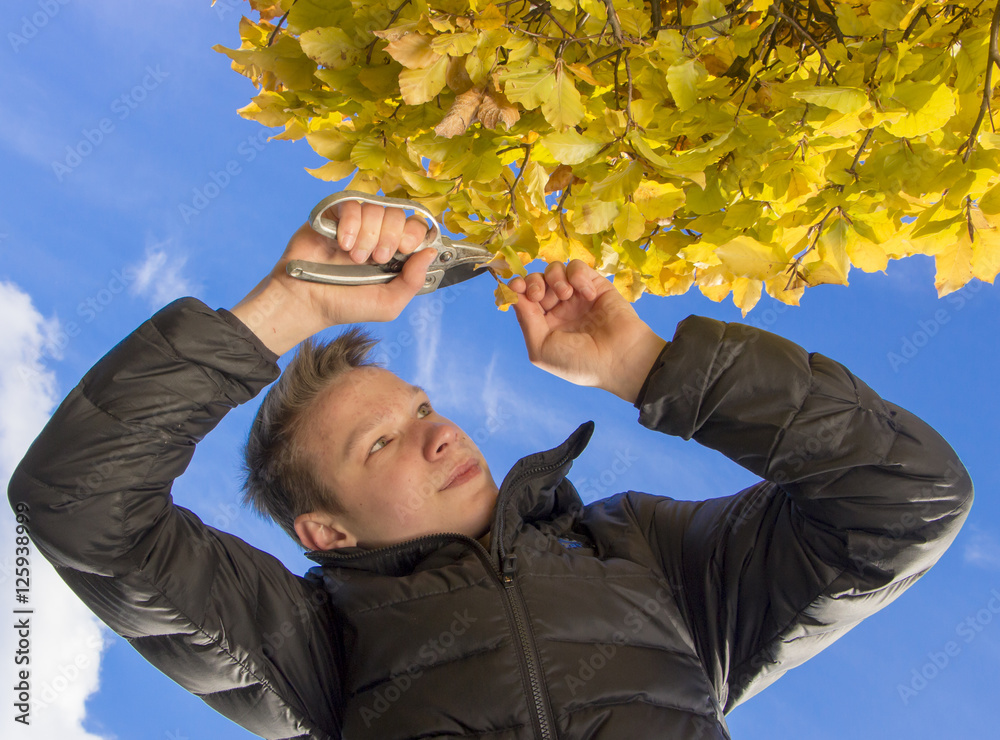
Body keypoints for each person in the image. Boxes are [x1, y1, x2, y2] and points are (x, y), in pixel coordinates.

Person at [9, 198, 973, 740]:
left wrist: (646, 366)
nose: (437, 436)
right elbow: (78, 501)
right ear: (325, 533)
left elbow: (906, 497)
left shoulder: (644, 551)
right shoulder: (311, 649)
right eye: (379, 444)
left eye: (421, 410)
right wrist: (290, 307)